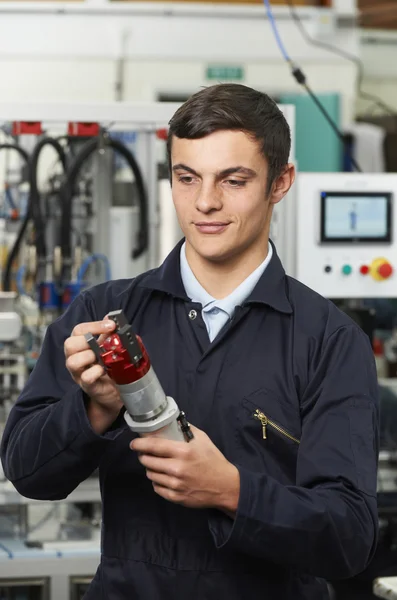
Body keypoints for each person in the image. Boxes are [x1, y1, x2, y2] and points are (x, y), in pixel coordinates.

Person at [1, 84, 379, 600]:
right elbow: (27, 474)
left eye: (234, 179)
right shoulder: (102, 316)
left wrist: (233, 492)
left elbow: (350, 538)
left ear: (280, 182)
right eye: (187, 177)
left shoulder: (331, 341)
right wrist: (94, 408)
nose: (205, 202)